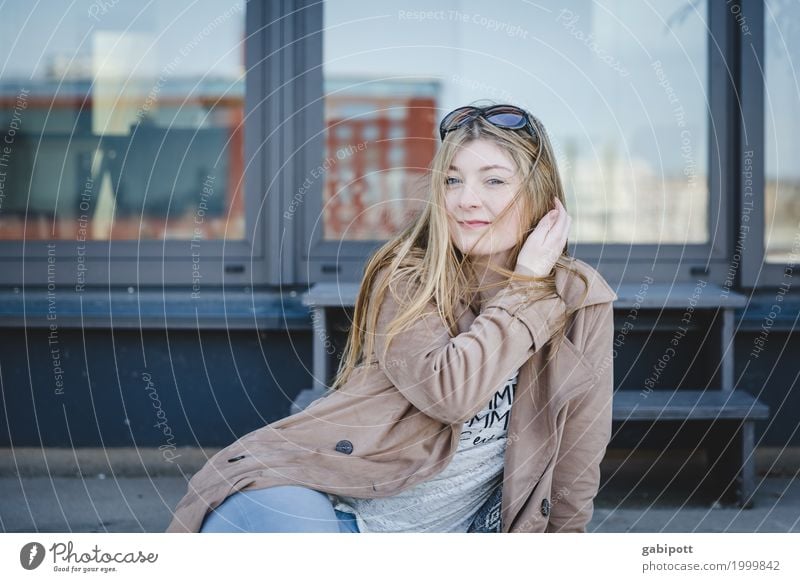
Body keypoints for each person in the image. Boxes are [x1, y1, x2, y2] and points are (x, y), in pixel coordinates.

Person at [166, 100, 618, 534]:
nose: (466, 201)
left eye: (494, 181)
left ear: (540, 194)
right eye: (453, 181)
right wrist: (523, 290)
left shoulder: (580, 299)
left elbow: (578, 458)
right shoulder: (407, 276)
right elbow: (452, 393)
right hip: (330, 514)